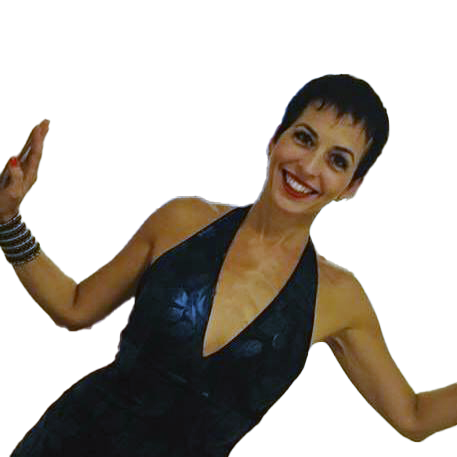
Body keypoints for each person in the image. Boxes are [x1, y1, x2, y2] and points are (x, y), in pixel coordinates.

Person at [3, 74, 455, 456]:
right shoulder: (181, 221)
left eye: (337, 161)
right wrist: (8, 219)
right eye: (304, 138)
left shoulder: (338, 297)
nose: (309, 166)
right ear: (275, 140)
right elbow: (74, 308)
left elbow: (412, 416)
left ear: (352, 186)